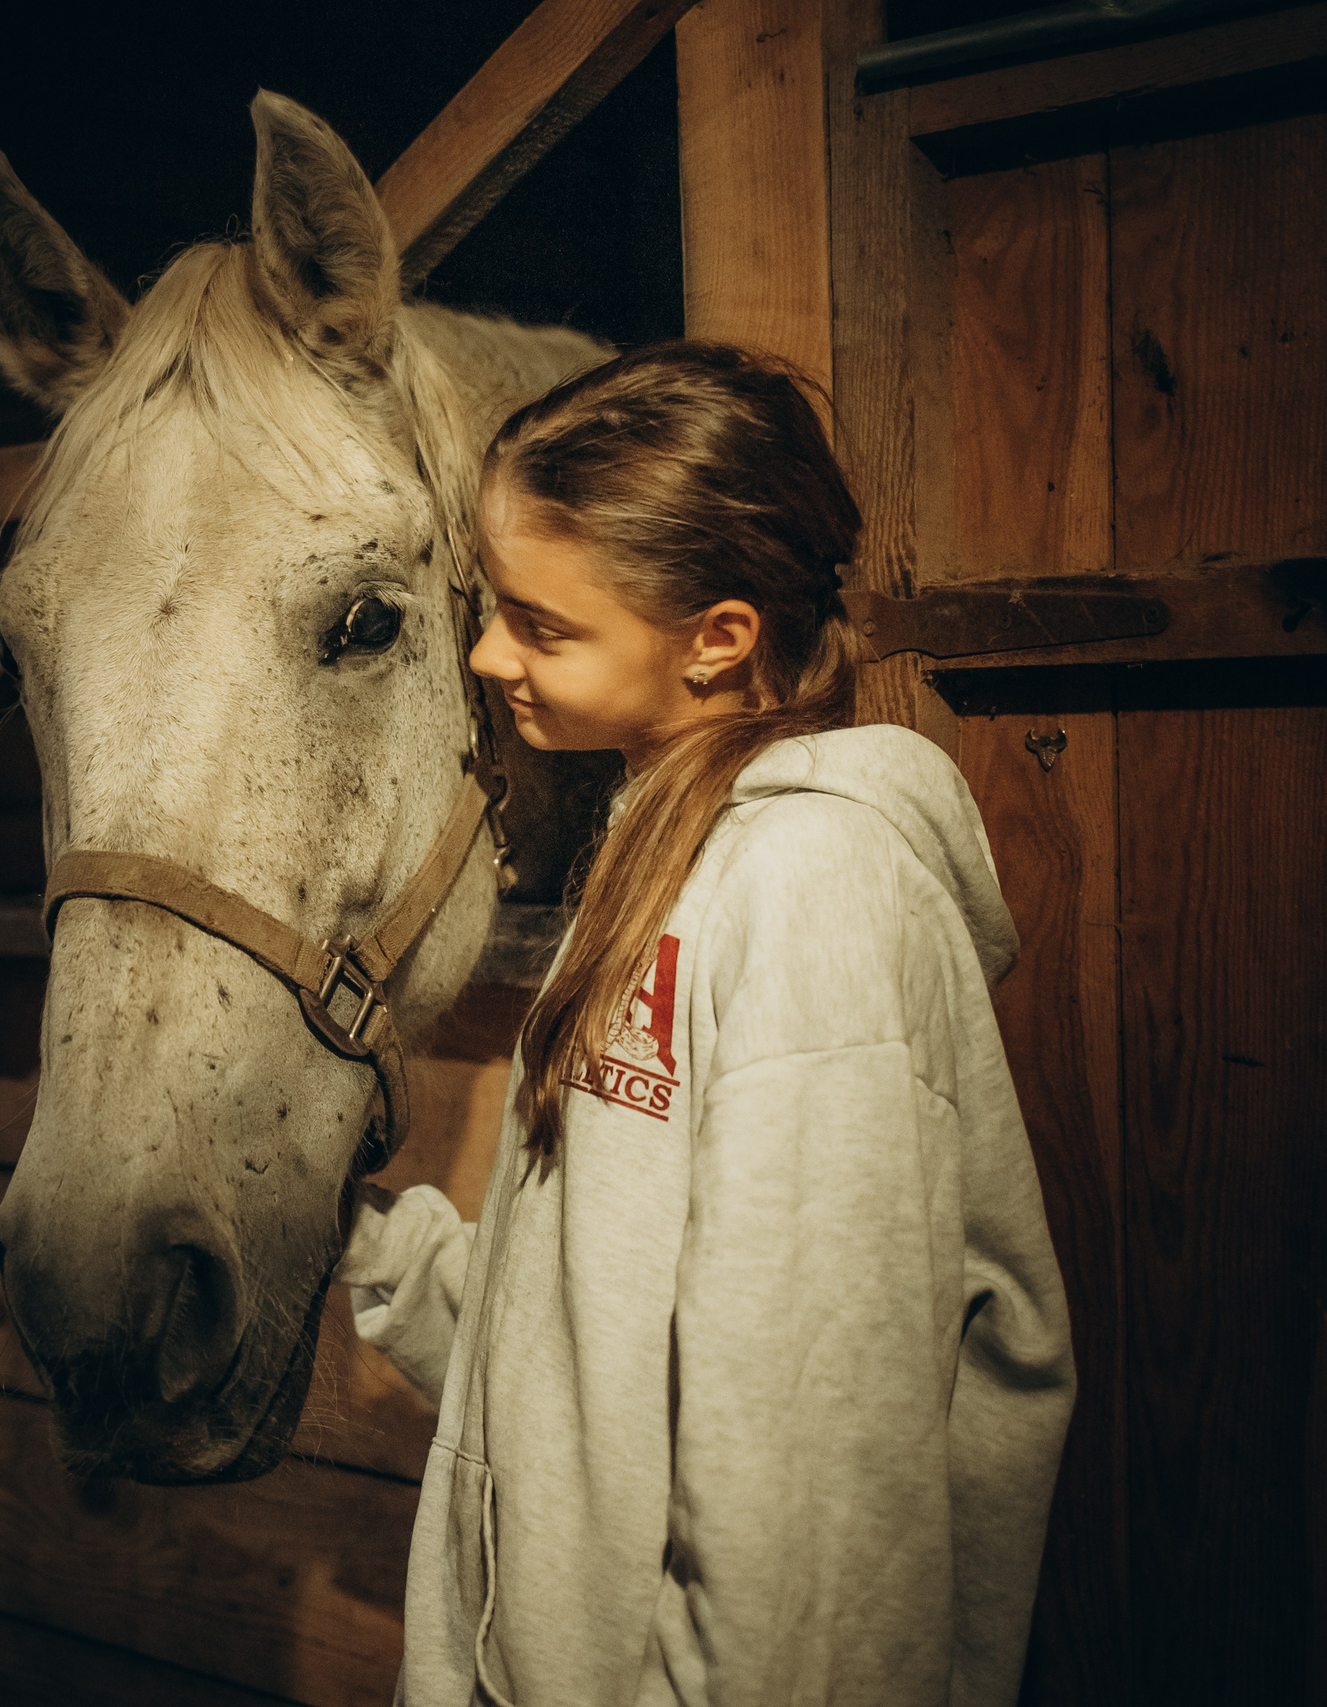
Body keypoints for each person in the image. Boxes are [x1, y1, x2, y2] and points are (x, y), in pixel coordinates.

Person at [342, 342, 1075, 1706]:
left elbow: (812, 1481)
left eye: (544, 625)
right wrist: (381, 1244)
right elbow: (593, 1334)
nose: (492, 654)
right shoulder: (656, 853)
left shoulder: (814, 900)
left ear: (717, 639)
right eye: (492, 609)